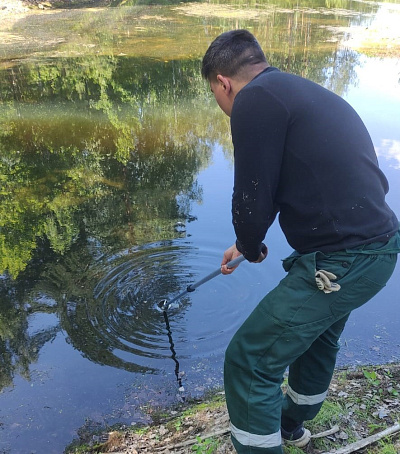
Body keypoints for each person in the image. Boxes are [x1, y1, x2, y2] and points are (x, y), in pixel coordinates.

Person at [201, 29, 400, 454]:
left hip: (343, 261)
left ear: (223, 82)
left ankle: (262, 442)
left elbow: (251, 193)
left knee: (249, 358)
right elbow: (279, 182)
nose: (222, 106)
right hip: (377, 250)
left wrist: (251, 243)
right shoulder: (290, 90)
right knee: (316, 338)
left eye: (215, 95)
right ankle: (289, 425)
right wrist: (246, 243)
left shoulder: (252, 100)